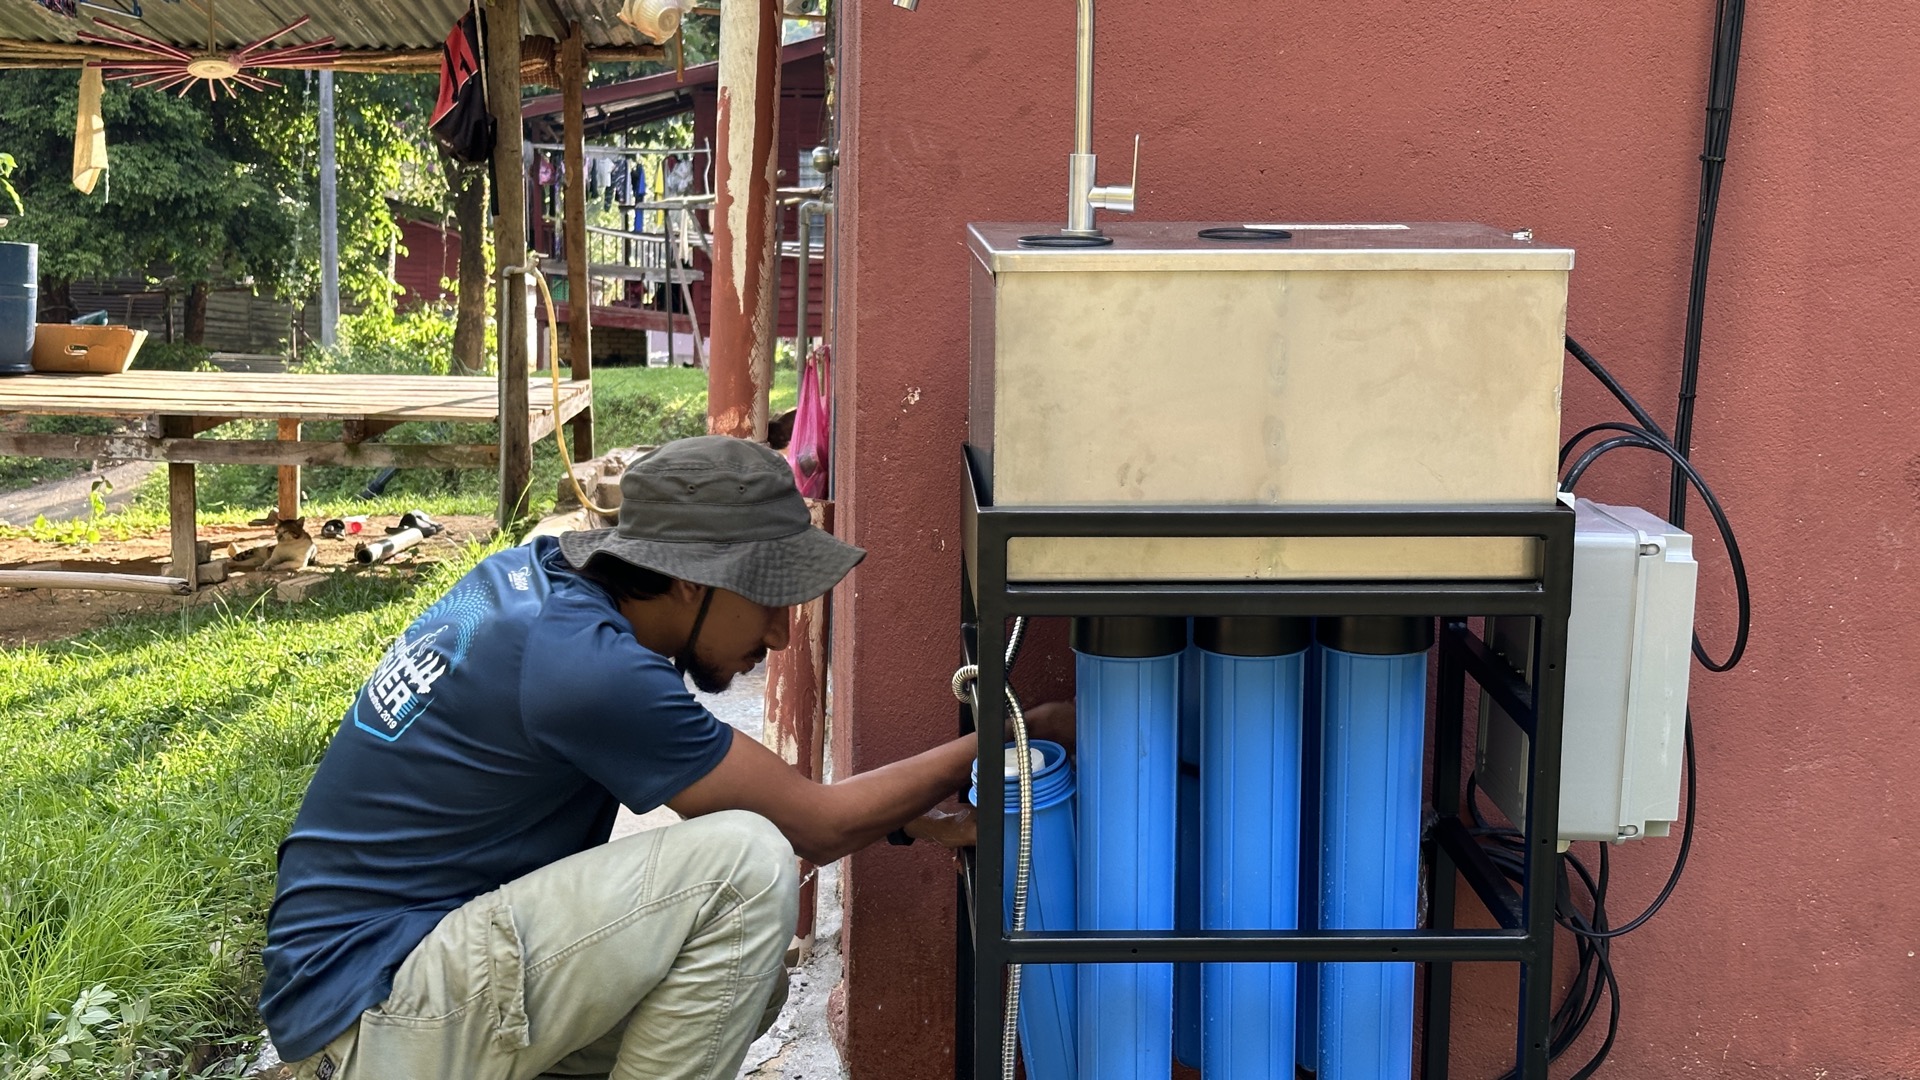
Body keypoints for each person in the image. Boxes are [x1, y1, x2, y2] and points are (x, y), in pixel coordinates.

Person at [258, 435, 1070, 1080]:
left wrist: (906, 820)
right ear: (687, 581)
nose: (780, 636)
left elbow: (797, 812)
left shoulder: (536, 587)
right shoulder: (588, 669)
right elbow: (808, 827)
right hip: (376, 1015)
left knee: (741, 986)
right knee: (743, 869)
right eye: (769, 601)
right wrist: (1018, 728)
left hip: (364, 988)